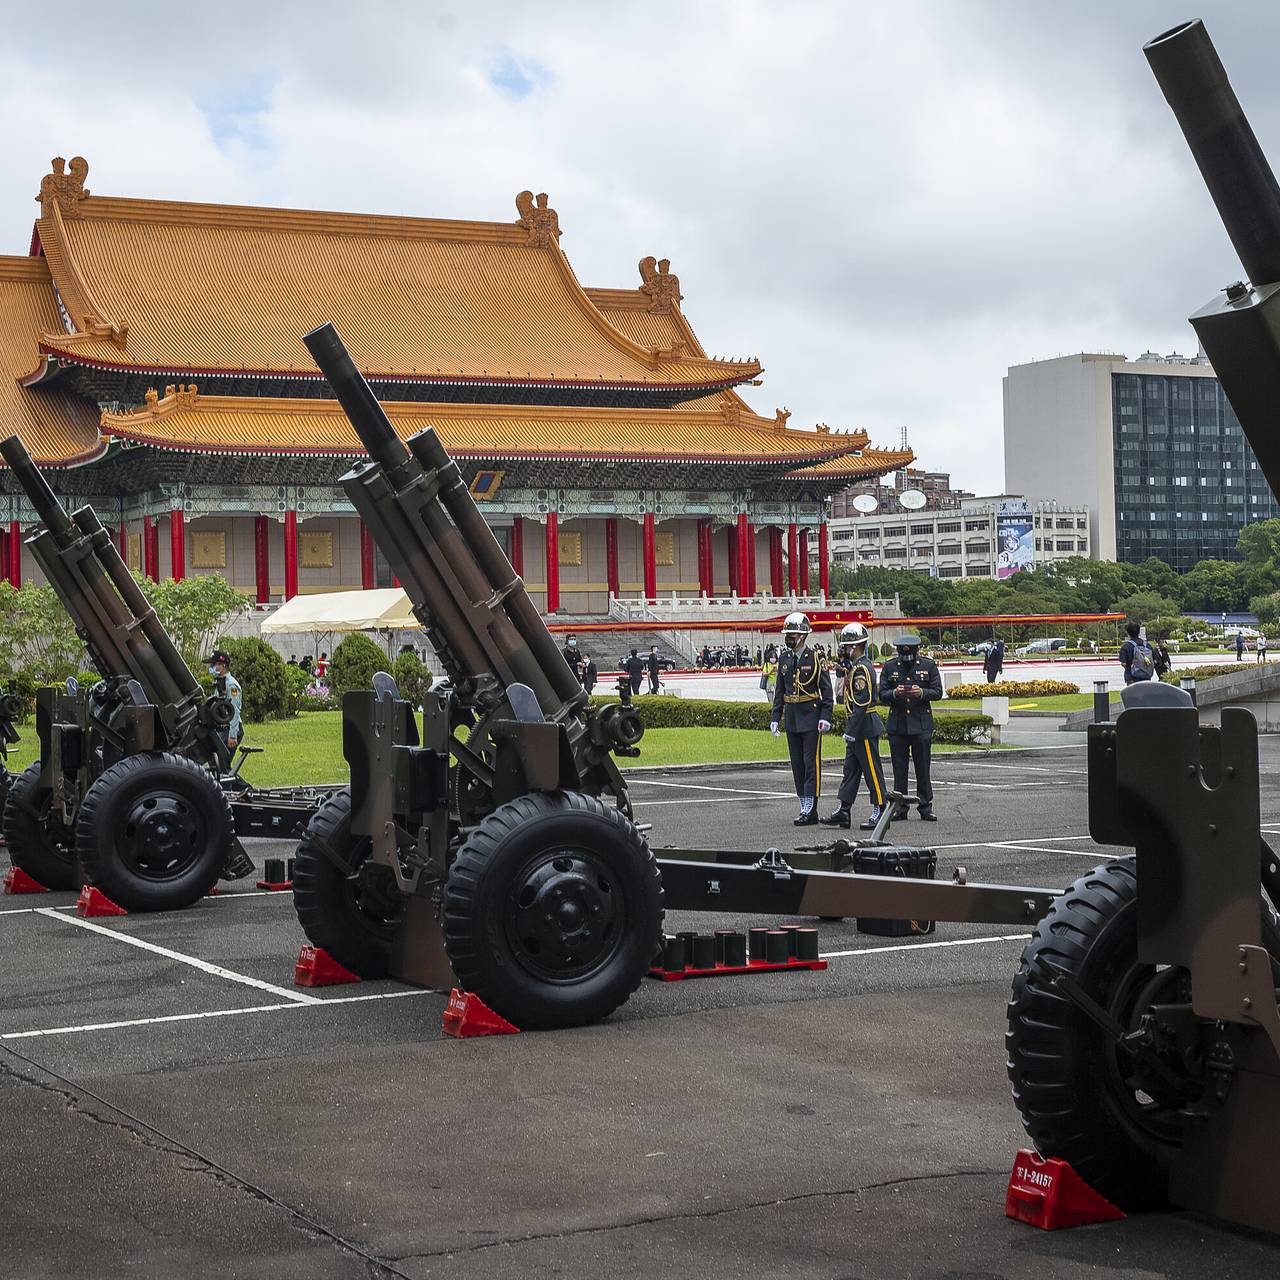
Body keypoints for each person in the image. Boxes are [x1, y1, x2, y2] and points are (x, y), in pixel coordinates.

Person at [821, 622, 887, 830]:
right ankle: (844, 809)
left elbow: (861, 702)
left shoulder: (861, 670)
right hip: (858, 726)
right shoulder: (857, 667)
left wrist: (851, 731)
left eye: (846, 646)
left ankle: (880, 809)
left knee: (871, 771)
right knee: (850, 770)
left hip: (863, 727)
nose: (844, 650)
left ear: (854, 647)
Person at [770, 612, 833, 826]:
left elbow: (827, 691)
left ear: (804, 636)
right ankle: (802, 803)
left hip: (811, 716)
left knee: (810, 764)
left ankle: (811, 807)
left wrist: (825, 717)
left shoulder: (816, 658)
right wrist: (776, 717)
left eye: (793, 634)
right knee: (797, 764)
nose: (789, 638)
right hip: (793, 717)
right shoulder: (785, 658)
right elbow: (780, 690)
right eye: (788, 633)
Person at [879, 634, 942, 821]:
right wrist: (894, 693)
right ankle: (900, 807)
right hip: (898, 725)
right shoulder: (890, 666)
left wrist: (922, 692)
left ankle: (925, 806)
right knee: (899, 769)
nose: (906, 659)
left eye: (910, 654)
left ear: (916, 651)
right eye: (903, 654)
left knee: (923, 767)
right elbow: (881, 694)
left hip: (921, 724)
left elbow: (938, 692)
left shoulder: (928, 665)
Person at [206, 649, 243, 756]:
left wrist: (232, 735)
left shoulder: (231, 685)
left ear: (223, 665)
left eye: (214, 665)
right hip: (222, 728)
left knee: (223, 764)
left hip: (231, 729)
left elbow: (234, 710)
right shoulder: (220, 683)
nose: (211, 668)